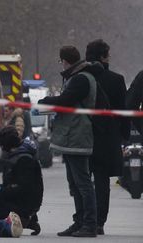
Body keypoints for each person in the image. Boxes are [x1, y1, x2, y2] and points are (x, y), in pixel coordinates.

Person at [38, 46, 99, 237]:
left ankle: (89, 224)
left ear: (65, 60)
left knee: (82, 182)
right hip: (73, 135)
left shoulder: (80, 79)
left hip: (77, 135)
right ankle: (79, 222)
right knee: (75, 182)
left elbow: (66, 100)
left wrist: (45, 101)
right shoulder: (79, 76)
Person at [85, 39, 130, 235]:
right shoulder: (116, 80)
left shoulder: (81, 78)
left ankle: (84, 218)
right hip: (108, 137)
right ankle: (99, 221)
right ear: (103, 57)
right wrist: (124, 136)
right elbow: (124, 111)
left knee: (81, 179)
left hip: (84, 134)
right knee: (102, 181)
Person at [0, 126, 43, 236]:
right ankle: (27, 220)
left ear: (7, 146)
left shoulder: (24, 159)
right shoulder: (17, 155)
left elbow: (23, 188)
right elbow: (13, 184)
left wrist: (0, 191)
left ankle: (23, 218)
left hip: (23, 205)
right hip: (19, 201)